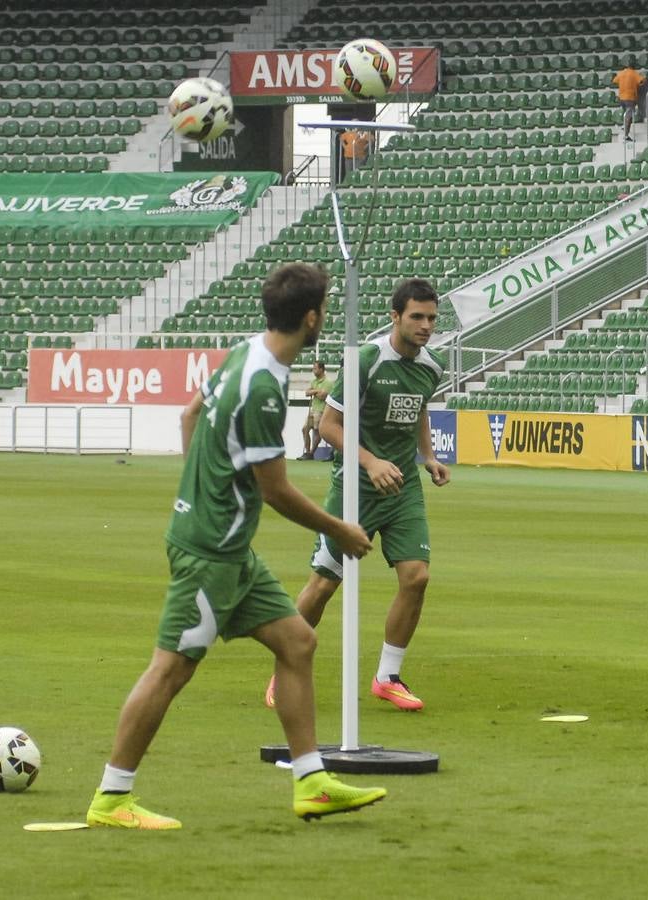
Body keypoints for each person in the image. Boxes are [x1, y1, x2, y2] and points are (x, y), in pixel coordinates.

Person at [86, 263, 384, 830]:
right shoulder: (265, 387)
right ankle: (111, 797)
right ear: (313, 318)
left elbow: (190, 414)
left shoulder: (244, 352)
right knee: (170, 670)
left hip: (228, 551)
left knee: (297, 641)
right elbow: (276, 489)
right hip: (210, 555)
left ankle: (311, 781)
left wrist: (197, 491)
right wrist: (340, 530)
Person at [265, 278, 450, 713]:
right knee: (324, 585)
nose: (426, 326)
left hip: (403, 487)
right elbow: (329, 426)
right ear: (395, 316)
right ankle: (284, 670)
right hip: (355, 489)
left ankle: (388, 676)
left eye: (432, 319)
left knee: (417, 577)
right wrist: (370, 462)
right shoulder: (365, 360)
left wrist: (429, 456)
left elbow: (419, 408)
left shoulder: (433, 366)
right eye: (417, 317)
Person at [300, 361, 331, 460]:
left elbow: (323, 396)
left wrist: (313, 391)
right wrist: (316, 391)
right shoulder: (314, 382)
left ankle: (311, 452)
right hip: (313, 409)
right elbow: (307, 393)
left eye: (315, 368)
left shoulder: (328, 382)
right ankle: (308, 452)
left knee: (317, 432)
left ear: (321, 369)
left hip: (321, 409)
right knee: (305, 429)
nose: (313, 370)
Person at [612, 62, 644, 141]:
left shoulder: (621, 73)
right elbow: (641, 81)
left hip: (622, 98)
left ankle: (625, 131)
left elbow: (614, 81)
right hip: (630, 97)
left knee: (628, 115)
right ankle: (625, 130)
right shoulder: (634, 73)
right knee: (629, 116)